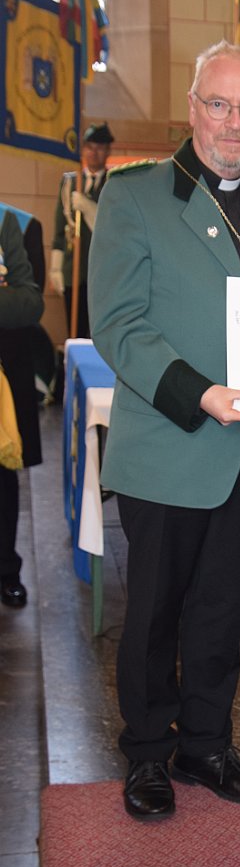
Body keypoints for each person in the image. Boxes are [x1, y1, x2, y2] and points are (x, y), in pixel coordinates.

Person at [88, 41, 240, 821]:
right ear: (192, 108)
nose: (234, 123)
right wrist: (202, 393)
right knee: (153, 613)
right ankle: (149, 751)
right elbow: (119, 324)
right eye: (219, 104)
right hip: (169, 443)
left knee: (221, 612)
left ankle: (207, 744)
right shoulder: (136, 197)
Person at [0, 208, 44, 607]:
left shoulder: (6, 223)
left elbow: (29, 303)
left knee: (2, 478)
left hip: (3, 378)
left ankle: (5, 570)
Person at [50, 122, 114, 337]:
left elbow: (111, 229)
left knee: (99, 333)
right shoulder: (70, 181)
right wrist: (56, 268)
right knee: (74, 331)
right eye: (89, 147)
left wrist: (88, 207)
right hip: (73, 269)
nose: (93, 153)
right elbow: (60, 229)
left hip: (103, 272)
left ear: (108, 150)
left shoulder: (115, 182)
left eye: (100, 147)